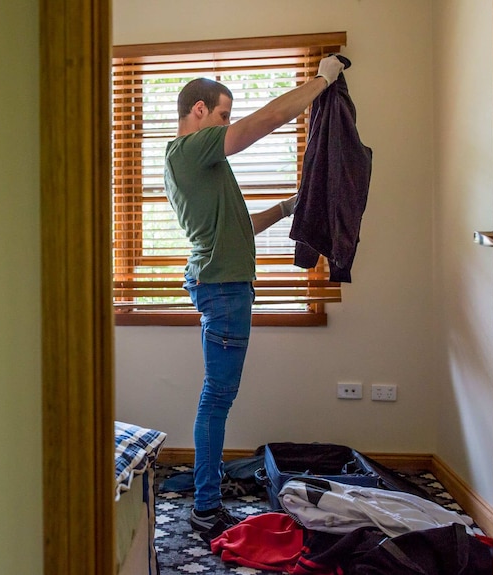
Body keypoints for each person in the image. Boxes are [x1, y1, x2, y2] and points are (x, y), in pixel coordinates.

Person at [164, 55, 347, 537]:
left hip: (220, 283)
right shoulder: (189, 151)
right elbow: (264, 122)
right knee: (216, 399)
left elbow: (238, 229)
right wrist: (320, 80)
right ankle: (206, 506)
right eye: (224, 115)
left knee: (216, 397)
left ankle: (208, 489)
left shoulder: (200, 166)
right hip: (223, 288)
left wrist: (289, 207)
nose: (228, 124)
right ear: (199, 111)